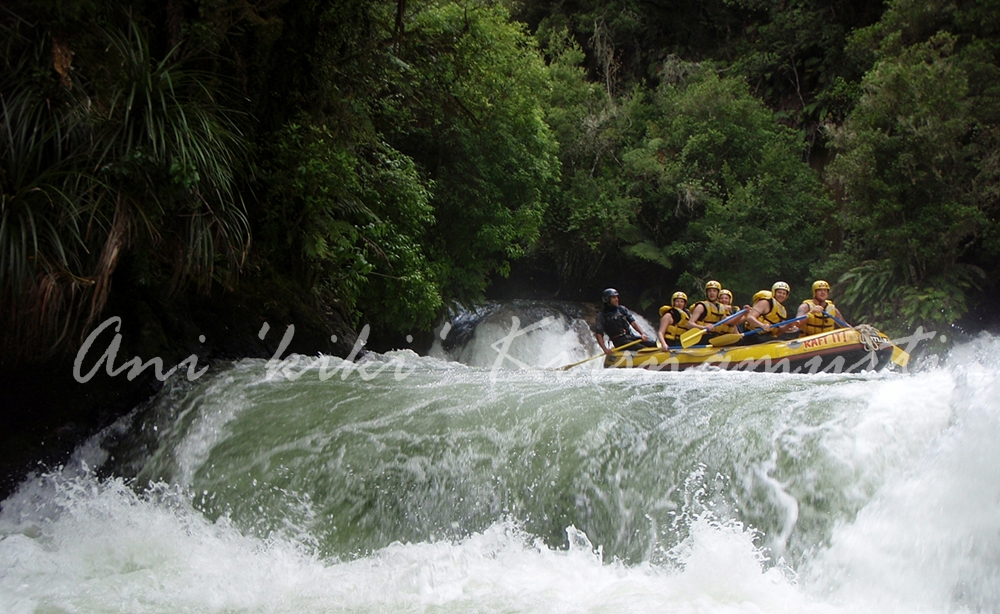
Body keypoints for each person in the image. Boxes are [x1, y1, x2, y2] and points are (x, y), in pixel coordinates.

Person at [593, 288, 656, 354]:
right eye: (614, 297)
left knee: (653, 344)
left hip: (630, 337)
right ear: (607, 299)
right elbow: (599, 334)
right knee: (643, 349)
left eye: (617, 297)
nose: (617, 299)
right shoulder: (602, 315)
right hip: (619, 341)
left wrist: (642, 334)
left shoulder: (621, 309)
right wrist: (605, 349)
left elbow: (633, 323)